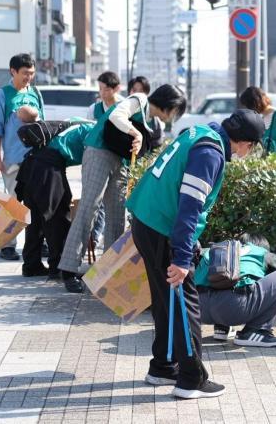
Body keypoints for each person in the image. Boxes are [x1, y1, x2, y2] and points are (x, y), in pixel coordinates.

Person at [126, 109, 265, 399]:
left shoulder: (200, 133)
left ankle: (163, 366)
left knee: (166, 300)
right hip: (163, 227)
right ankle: (191, 379)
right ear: (246, 143)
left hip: (147, 220)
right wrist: (181, 257)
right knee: (183, 300)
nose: (247, 153)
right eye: (251, 148)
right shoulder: (210, 153)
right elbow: (190, 204)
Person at [57, 84, 187, 293]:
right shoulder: (139, 100)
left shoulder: (154, 122)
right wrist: (137, 133)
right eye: (175, 110)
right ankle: (69, 269)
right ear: (167, 104)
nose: (173, 116)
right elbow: (117, 116)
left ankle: (109, 271)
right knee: (89, 207)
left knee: (118, 213)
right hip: (99, 150)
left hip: (121, 161)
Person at [195, 233, 276, 347]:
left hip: (200, 310)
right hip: (235, 308)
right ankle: (256, 331)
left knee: (221, 279)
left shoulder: (214, 250)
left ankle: (221, 329)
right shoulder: (263, 253)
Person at [15, 121, 94, 280]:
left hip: (30, 167)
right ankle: (57, 267)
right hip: (48, 171)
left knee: (35, 220)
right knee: (57, 220)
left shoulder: (78, 124)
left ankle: (31, 265)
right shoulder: (94, 132)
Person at [0, 53, 44, 262]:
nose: (28, 77)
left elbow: (43, 125)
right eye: (24, 73)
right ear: (13, 71)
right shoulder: (2, 95)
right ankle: (8, 245)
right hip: (13, 159)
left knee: (38, 202)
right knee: (12, 203)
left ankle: (40, 242)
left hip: (37, 158)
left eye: (31, 73)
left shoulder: (36, 93)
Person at [86, 71, 124, 253]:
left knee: (116, 209)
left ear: (116, 88)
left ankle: (111, 253)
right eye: (100, 88)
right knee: (95, 204)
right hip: (98, 159)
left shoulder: (124, 106)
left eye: (106, 89)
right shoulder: (94, 109)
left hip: (119, 161)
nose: (102, 92)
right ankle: (94, 241)